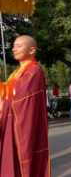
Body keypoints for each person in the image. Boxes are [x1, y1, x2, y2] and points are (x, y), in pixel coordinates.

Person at [0, 35, 50, 176]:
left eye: (19, 46)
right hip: (12, 122)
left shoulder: (34, 71)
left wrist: (6, 94)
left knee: (23, 162)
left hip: (22, 125)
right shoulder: (16, 73)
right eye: (14, 46)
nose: (14, 49)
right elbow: (8, 91)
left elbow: (21, 95)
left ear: (32, 50)